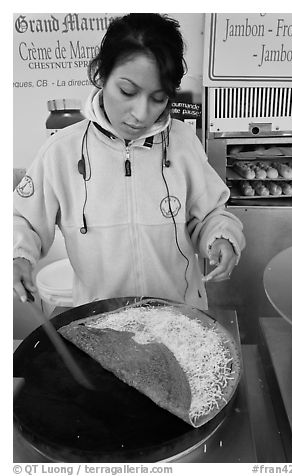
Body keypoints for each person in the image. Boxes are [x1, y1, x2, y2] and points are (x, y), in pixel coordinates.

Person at [13, 13, 245, 311]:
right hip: (102, 320)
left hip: (179, 316)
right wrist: (18, 255)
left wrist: (220, 238)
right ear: (101, 74)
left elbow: (211, 213)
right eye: (127, 92)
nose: (141, 114)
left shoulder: (184, 143)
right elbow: (22, 220)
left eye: (158, 98)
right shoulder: (62, 151)